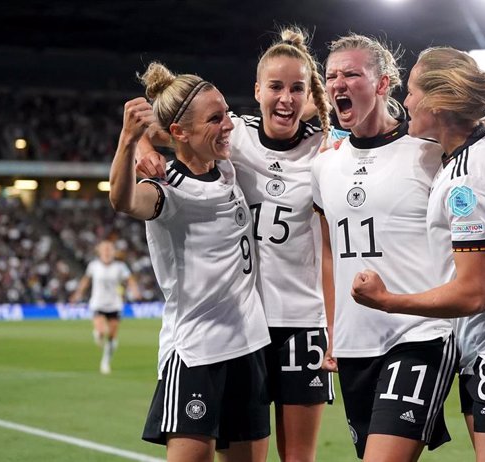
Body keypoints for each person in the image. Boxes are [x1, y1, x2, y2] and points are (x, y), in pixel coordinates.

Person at [351, 46, 485, 462]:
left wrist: (387, 302)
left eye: (412, 92)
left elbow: (472, 294)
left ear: (439, 103)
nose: (406, 101)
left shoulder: (468, 183)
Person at [135, 28, 335, 462]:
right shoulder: (234, 134)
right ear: (257, 89)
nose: (286, 98)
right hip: (249, 327)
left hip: (303, 321)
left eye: (297, 88)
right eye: (276, 87)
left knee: (299, 457)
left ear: (307, 94)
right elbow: (168, 118)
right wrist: (141, 148)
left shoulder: (328, 150)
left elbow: (327, 248)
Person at [111, 61, 271, 462]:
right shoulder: (168, 192)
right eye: (215, 119)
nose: (228, 125)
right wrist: (130, 142)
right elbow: (123, 200)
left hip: (249, 347)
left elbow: (161, 127)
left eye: (226, 114)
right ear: (180, 133)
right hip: (198, 354)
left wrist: (148, 142)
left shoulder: (228, 169)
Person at [311, 34, 457, 461]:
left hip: (418, 335)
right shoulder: (324, 166)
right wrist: (333, 327)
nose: (338, 83)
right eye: (331, 75)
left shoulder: (430, 154)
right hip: (356, 344)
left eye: (351, 74)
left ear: (382, 84)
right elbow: (328, 250)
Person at [70, 239, 140, 374]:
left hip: (114, 304)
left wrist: (135, 290)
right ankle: (98, 334)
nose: (107, 251)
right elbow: (86, 280)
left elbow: (130, 279)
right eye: (105, 249)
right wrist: (78, 294)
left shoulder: (120, 266)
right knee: (101, 331)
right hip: (98, 303)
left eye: (110, 249)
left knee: (112, 336)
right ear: (99, 251)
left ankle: (106, 361)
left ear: (114, 251)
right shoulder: (94, 266)